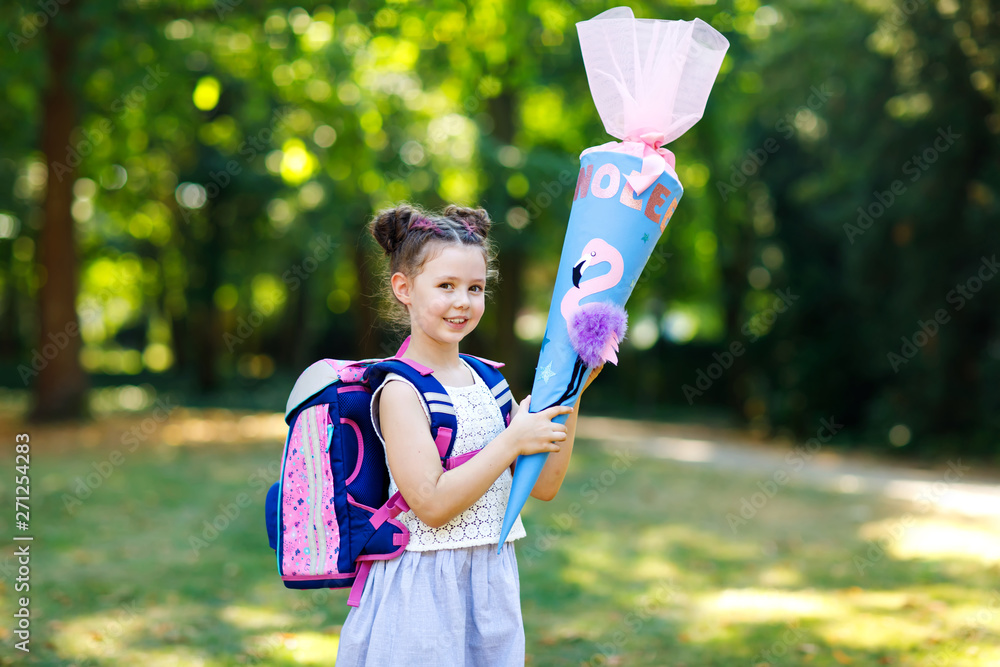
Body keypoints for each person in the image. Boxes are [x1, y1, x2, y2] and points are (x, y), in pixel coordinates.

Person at [335, 203, 601, 666]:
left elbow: (543, 485)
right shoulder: (400, 390)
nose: (463, 301)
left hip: (490, 582)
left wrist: (573, 391)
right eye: (446, 286)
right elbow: (432, 505)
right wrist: (511, 441)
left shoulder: (490, 383)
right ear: (405, 289)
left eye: (475, 288)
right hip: (420, 587)